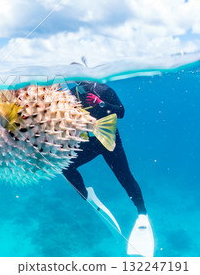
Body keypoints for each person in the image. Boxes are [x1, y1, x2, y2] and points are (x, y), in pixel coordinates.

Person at [66, 78, 154, 257]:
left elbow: (121, 112)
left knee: (125, 177)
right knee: (65, 165)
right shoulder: (70, 95)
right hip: (89, 142)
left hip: (110, 140)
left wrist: (101, 103)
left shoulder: (104, 89)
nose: (79, 83)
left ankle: (142, 213)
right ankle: (87, 196)